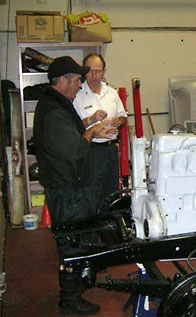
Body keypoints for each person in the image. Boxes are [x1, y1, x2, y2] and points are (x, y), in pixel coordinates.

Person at [33, 56, 118, 315]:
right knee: (72, 244)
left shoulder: (58, 103)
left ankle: (77, 285)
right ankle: (69, 300)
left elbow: (72, 132)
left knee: (78, 239)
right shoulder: (54, 110)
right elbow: (75, 149)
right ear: (62, 81)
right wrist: (95, 132)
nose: (80, 84)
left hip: (69, 185)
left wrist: (90, 125)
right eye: (77, 79)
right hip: (66, 189)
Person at [73, 53, 127, 211]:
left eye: (98, 71)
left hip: (111, 150)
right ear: (84, 72)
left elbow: (123, 117)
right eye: (90, 71)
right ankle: (93, 231)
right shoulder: (77, 95)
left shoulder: (111, 93)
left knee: (111, 193)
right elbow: (72, 127)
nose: (94, 75)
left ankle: (109, 229)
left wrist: (119, 121)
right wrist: (90, 119)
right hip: (92, 151)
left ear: (104, 72)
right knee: (92, 193)